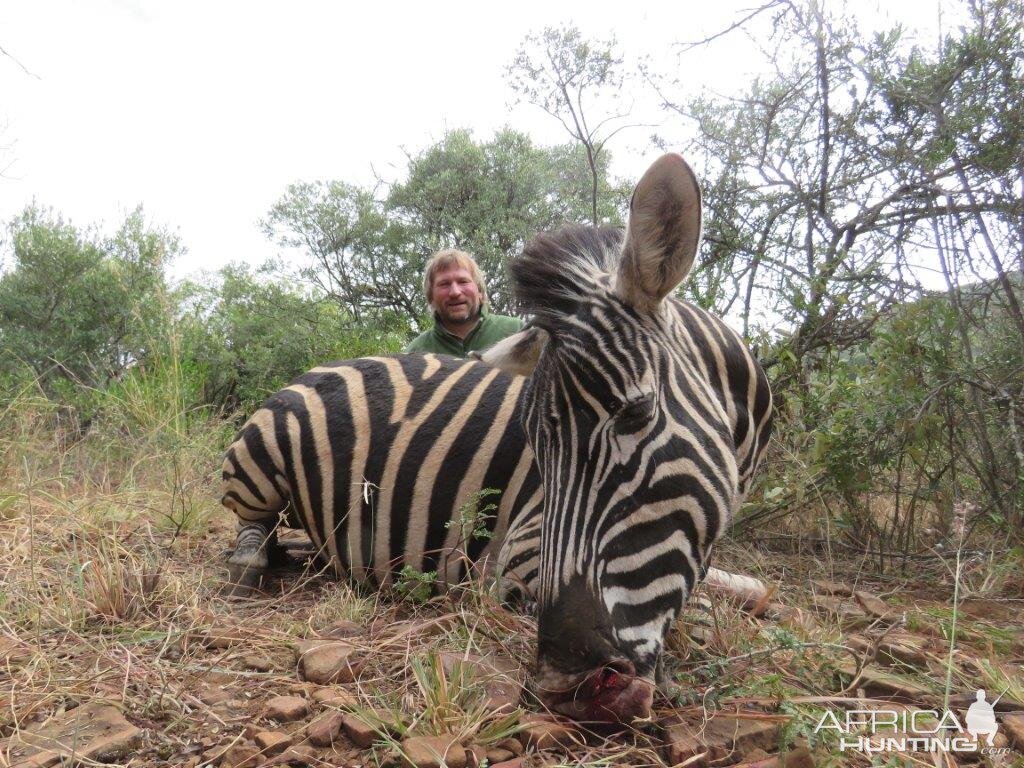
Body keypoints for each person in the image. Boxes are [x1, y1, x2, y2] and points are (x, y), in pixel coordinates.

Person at [405, 248, 523, 357]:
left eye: (463, 281)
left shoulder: (518, 331)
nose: (455, 292)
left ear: (480, 291)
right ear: (431, 297)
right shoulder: (415, 352)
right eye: (444, 284)